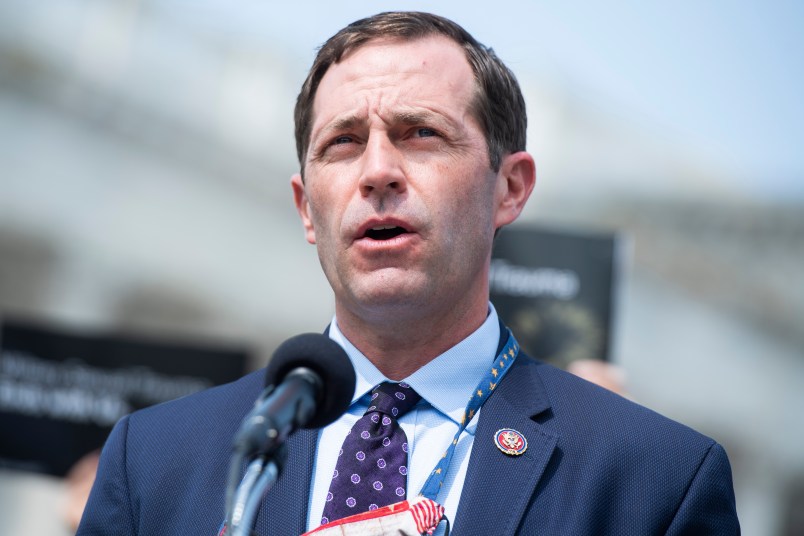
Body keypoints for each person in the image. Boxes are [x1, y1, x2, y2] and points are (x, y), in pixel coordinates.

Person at [77, 11, 740, 535]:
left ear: (509, 188)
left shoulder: (653, 479)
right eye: (342, 143)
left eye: (420, 133)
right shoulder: (157, 460)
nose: (377, 171)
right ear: (307, 209)